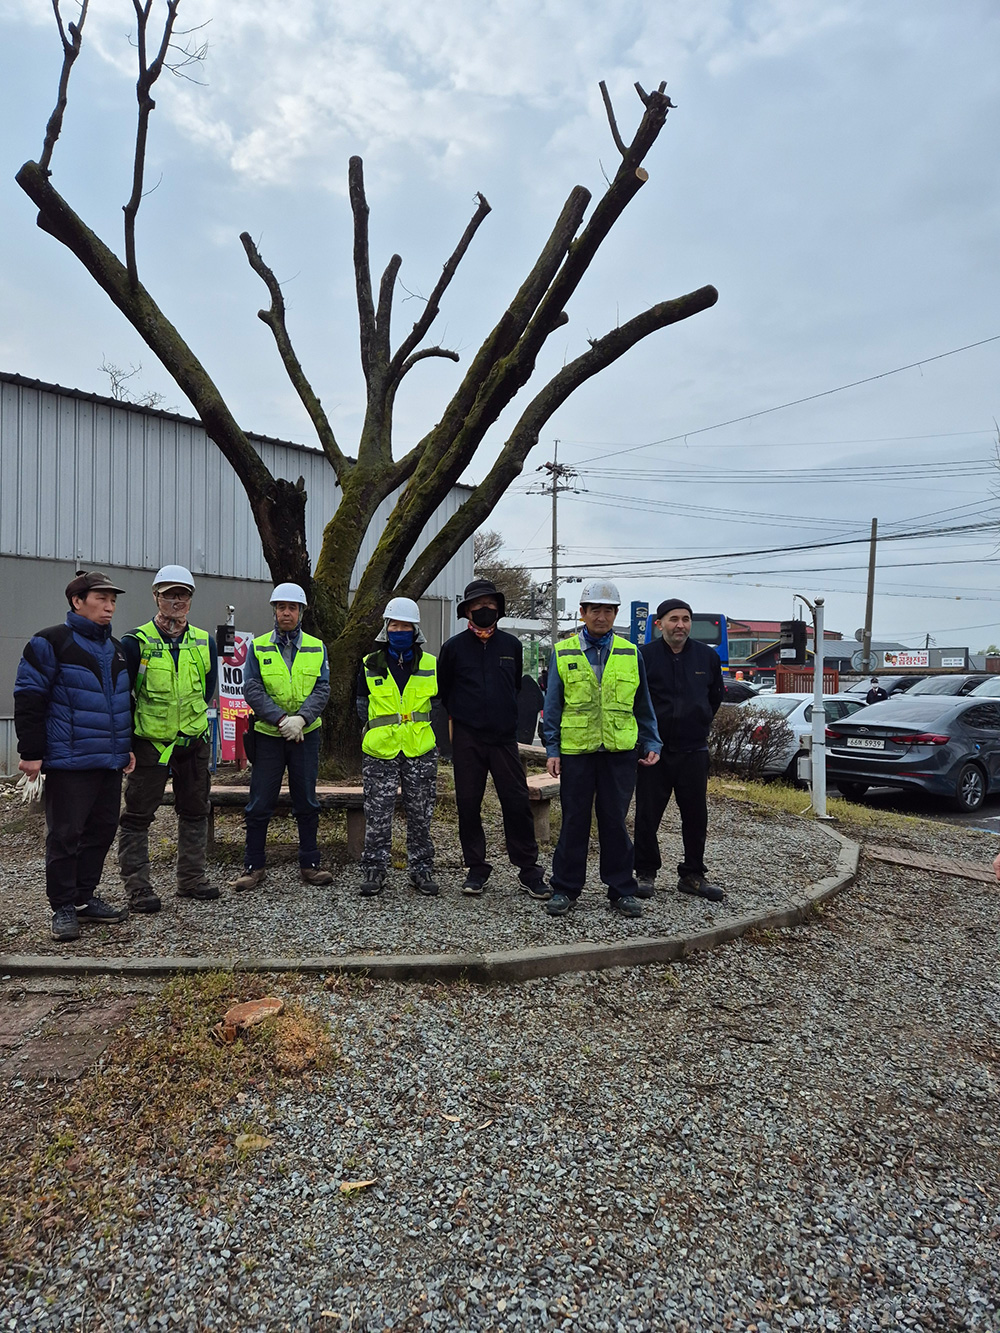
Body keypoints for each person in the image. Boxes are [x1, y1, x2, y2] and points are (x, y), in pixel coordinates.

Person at [13, 570, 135, 942]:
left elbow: (119, 704)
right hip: (69, 761)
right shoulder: (49, 642)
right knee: (65, 835)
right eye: (101, 599)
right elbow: (29, 698)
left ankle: (83, 899)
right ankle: (62, 906)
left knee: (101, 831)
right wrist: (31, 753)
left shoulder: (114, 647)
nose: (109, 605)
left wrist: (125, 747)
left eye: (113, 600)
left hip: (109, 760)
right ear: (77, 601)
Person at [541, 580, 661, 919]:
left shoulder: (629, 652)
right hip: (576, 751)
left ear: (615, 614)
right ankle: (564, 888)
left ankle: (622, 889)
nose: (602, 616)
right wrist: (552, 748)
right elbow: (553, 705)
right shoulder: (563, 652)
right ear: (582, 613)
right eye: (595, 610)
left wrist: (652, 740)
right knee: (574, 821)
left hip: (620, 750)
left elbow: (643, 704)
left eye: (608, 610)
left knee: (614, 821)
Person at [437, 578, 548, 898]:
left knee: (516, 802)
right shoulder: (453, 648)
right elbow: (444, 690)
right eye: (478, 606)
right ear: (467, 611)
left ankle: (529, 869)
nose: (484, 610)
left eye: (490, 605)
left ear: (498, 609)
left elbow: (515, 686)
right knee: (468, 803)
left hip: (503, 739)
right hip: (467, 738)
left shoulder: (511, 646)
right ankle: (476, 867)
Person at [117, 565, 219, 912]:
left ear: (191, 599)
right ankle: (138, 888)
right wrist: (126, 743)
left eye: (183, 594)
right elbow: (123, 695)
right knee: (137, 815)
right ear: (155, 596)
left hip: (193, 742)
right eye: (169, 594)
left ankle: (191, 880)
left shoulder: (205, 640)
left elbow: (207, 689)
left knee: (195, 810)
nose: (176, 601)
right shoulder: (136, 642)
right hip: (150, 744)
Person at [232, 583, 334, 890]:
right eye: (280, 607)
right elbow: (252, 688)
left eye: (292, 607)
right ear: (274, 611)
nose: (285, 613)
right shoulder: (259, 646)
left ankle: (310, 864)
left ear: (301, 611)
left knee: (306, 800)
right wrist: (280, 720)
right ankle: (253, 866)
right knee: (260, 801)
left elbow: (322, 688)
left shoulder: (317, 647)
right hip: (268, 735)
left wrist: (301, 719)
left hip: (306, 735)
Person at [633, 598, 726, 902]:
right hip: (653, 751)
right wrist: (645, 740)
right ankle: (645, 873)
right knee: (648, 815)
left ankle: (693, 875)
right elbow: (635, 703)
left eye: (686, 619)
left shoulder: (706, 658)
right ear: (659, 624)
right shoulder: (643, 657)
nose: (681, 625)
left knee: (696, 815)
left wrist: (696, 723)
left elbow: (713, 699)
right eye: (674, 619)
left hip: (693, 750)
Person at [356, 597, 439, 898]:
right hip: (380, 751)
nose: (399, 630)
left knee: (421, 813)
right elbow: (361, 707)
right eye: (395, 625)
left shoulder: (430, 664)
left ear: (415, 630)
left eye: (406, 625)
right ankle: (375, 869)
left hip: (420, 750)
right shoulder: (370, 664)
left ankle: (421, 869)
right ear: (385, 628)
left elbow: (438, 707)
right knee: (378, 813)